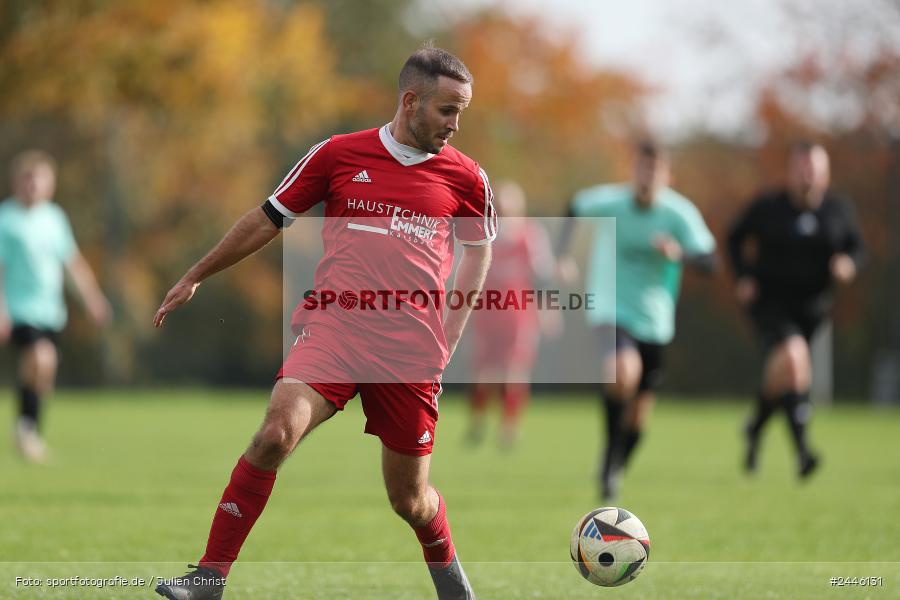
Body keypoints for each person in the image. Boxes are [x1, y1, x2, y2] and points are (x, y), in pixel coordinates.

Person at [152, 46, 495, 600]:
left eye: (462, 113)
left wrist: (450, 332)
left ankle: (452, 580)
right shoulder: (337, 155)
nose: (456, 126)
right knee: (273, 435)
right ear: (410, 102)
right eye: (447, 110)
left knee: (410, 501)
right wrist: (196, 274)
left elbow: (479, 251)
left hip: (410, 351)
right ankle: (208, 579)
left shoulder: (468, 179)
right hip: (336, 328)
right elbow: (268, 219)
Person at [558, 140, 716, 501]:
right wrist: (563, 255)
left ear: (667, 176)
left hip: (656, 320)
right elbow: (572, 207)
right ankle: (610, 462)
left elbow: (711, 262)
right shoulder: (610, 201)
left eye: (655, 171)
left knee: (639, 418)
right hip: (610, 307)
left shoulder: (679, 214)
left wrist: (679, 253)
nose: (647, 177)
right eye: (642, 169)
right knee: (621, 372)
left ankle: (615, 464)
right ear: (633, 170)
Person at [728, 141, 863, 479]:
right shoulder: (769, 207)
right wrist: (744, 276)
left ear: (826, 174)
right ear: (790, 172)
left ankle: (755, 427)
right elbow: (734, 237)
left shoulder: (838, 210)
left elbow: (857, 246)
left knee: (785, 376)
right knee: (794, 358)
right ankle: (804, 454)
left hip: (813, 309)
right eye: (802, 168)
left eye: (814, 169)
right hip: (770, 304)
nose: (808, 176)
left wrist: (849, 263)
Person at [0, 150, 110, 462]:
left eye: (39, 181)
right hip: (19, 308)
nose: (33, 187)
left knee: (41, 372)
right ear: (16, 182)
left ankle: (27, 428)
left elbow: (71, 263)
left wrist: (93, 299)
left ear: (50, 184)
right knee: (42, 357)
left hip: (50, 310)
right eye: (27, 180)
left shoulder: (54, 218)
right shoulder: (6, 219)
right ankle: (26, 429)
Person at [465, 181, 558, 449]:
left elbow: (542, 276)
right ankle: (478, 422)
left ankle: (508, 428)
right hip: (487, 314)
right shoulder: (484, 233)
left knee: (515, 372)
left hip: (519, 316)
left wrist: (547, 309)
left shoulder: (531, 234)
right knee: (483, 373)